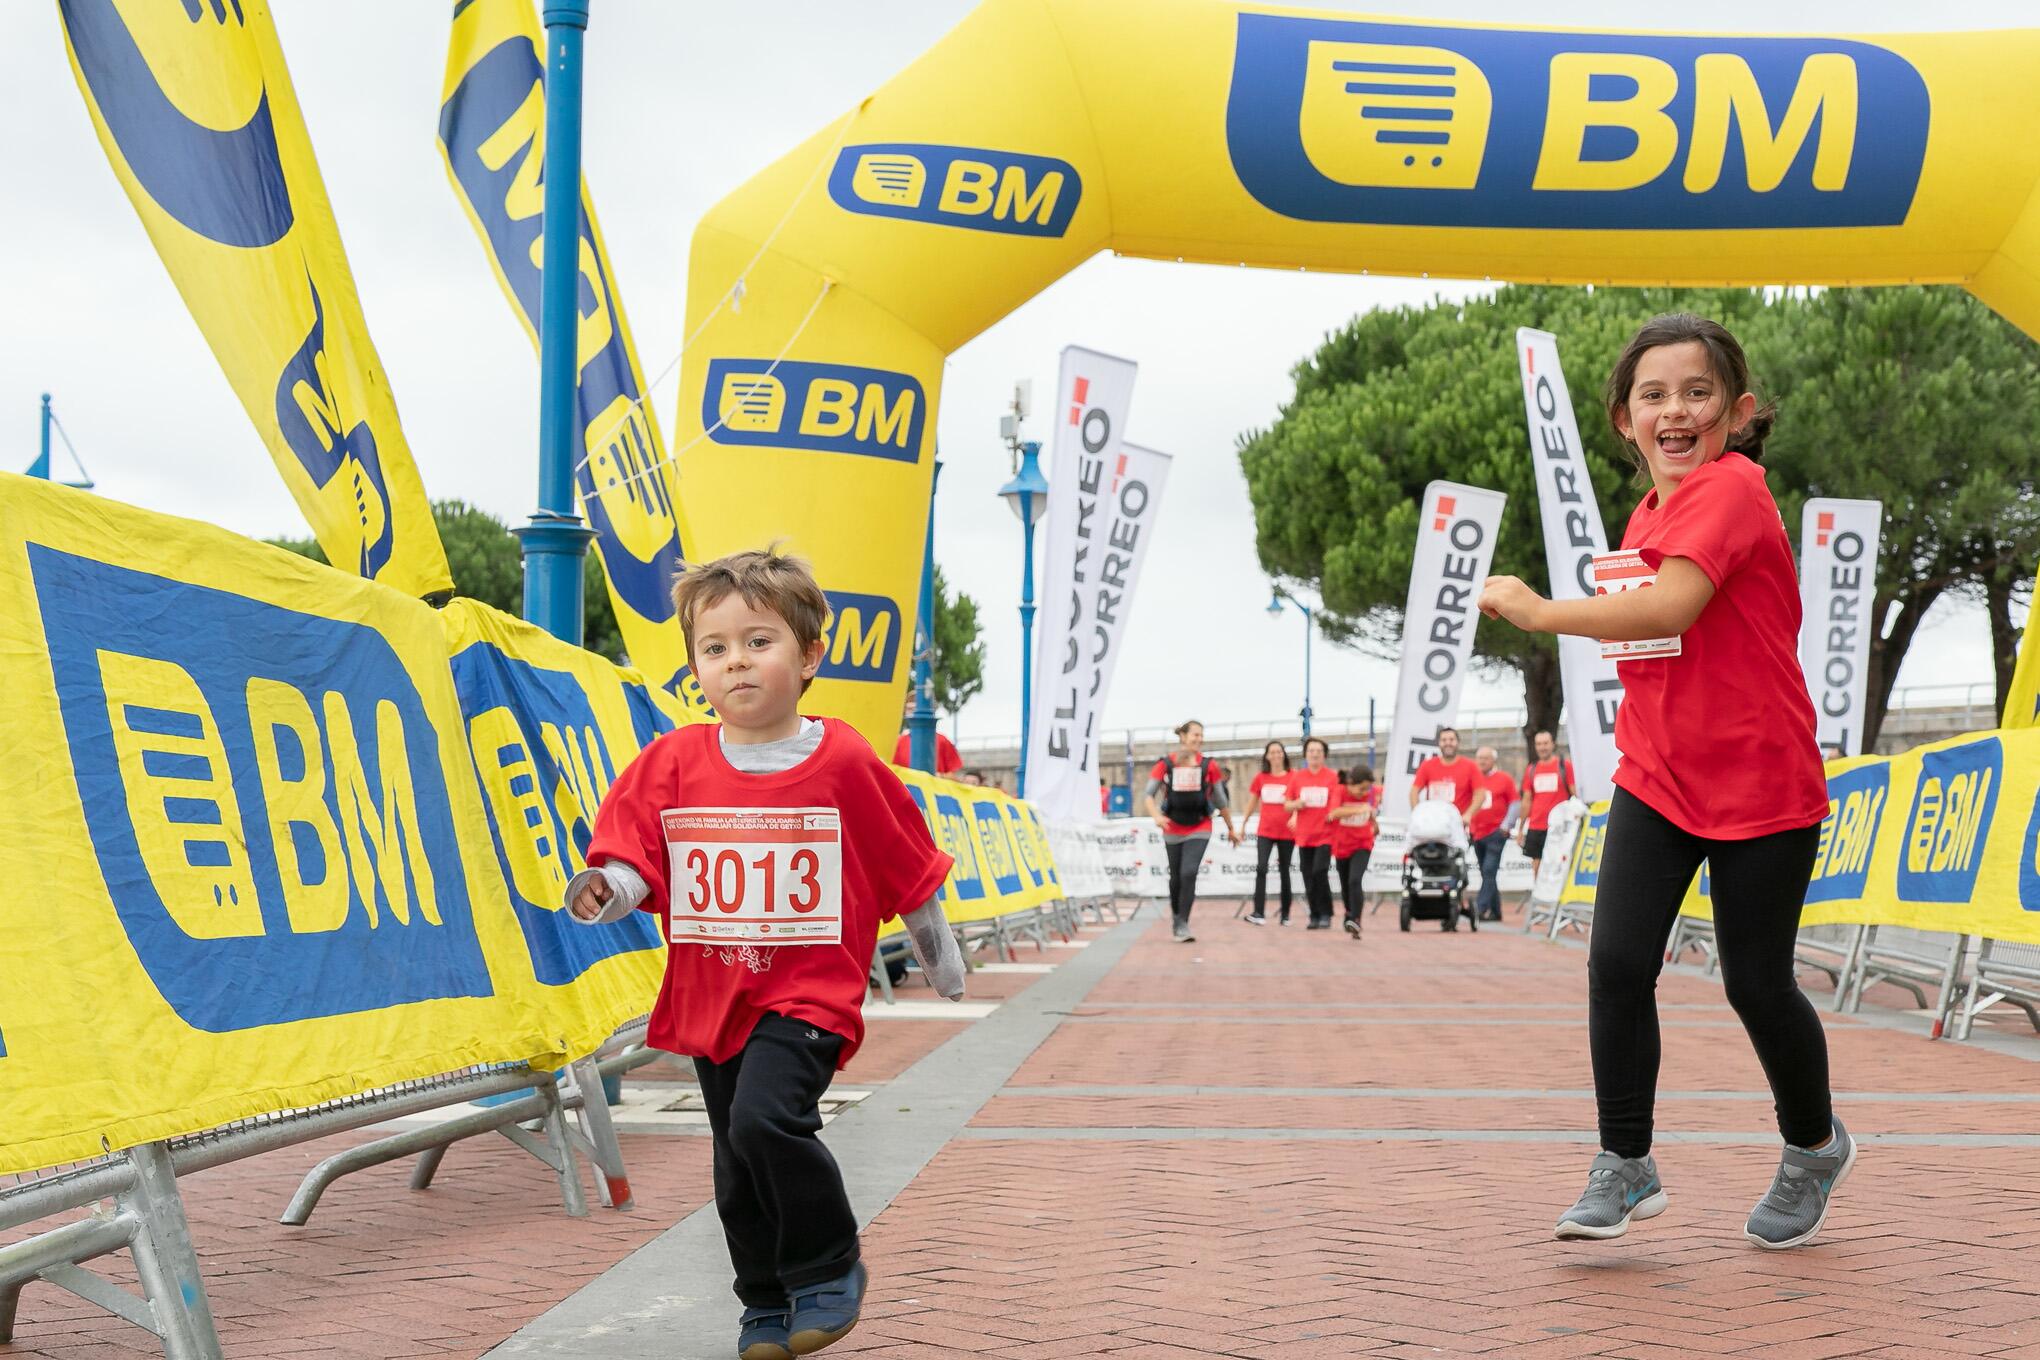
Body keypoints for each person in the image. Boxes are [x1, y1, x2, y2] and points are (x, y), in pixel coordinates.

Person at [1479, 313, 1849, 1251]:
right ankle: (1626, 1162)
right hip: (1658, 775)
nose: (1675, 411)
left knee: (1756, 983)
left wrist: (1535, 611)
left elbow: (1675, 603)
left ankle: (1813, 1148)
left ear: (1740, 410)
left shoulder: (1732, 491)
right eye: (1654, 396)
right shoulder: (1651, 513)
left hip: (1762, 782)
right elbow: (1657, 636)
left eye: (1697, 393)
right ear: (1623, 420)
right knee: (1614, 964)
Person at [565, 547, 968, 1359]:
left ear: (809, 654)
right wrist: (607, 888)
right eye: (714, 649)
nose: (736, 663)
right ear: (694, 668)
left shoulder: (845, 760)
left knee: (765, 1121)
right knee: (734, 1162)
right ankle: (764, 1300)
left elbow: (907, 864)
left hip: (808, 994)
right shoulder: (673, 762)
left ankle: (827, 1265)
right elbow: (632, 856)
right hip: (713, 998)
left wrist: (941, 959)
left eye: (759, 641)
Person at [1144, 720, 1242, 942]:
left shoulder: (1209, 765)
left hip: (1200, 826)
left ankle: (1183, 923)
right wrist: (1157, 817)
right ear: (1183, 737)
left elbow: (1220, 799)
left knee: (1189, 872)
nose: (1198, 739)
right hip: (1172, 826)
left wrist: (1231, 828)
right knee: (1176, 877)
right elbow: (1148, 795)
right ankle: (1177, 917)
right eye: (1194, 735)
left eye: (1201, 735)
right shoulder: (1166, 764)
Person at [1283, 737, 1342, 930]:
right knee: (1307, 874)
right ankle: (1314, 914)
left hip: (1325, 834)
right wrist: (1296, 805)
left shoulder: (1332, 777)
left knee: (1319, 871)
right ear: (1306, 754)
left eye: (1318, 751)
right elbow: (1287, 804)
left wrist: (1332, 812)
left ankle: (1326, 913)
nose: (1315, 754)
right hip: (1304, 835)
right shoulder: (1298, 777)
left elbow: (1335, 800)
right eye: (1311, 751)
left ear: (1324, 755)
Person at [1242, 740, 1297, 925]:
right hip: (1266, 831)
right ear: (1267, 756)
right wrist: (1243, 823)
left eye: (1279, 752)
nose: (1275, 755)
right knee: (1261, 868)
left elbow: (1298, 801)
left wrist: (1296, 816)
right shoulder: (1261, 778)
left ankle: (1286, 915)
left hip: (1287, 833)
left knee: (1285, 872)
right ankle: (1258, 913)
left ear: (1284, 754)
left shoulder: (1293, 777)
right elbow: (1252, 802)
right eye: (1272, 752)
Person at [1327, 764, 1381, 939]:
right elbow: (1334, 812)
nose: (1364, 792)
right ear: (1350, 782)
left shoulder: (1369, 794)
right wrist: (1358, 809)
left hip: (1363, 844)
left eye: (1367, 788)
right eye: (1361, 788)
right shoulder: (1340, 791)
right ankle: (1349, 913)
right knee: (1345, 885)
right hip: (1342, 845)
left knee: (1355, 880)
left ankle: (1356, 920)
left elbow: (1370, 811)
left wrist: (1375, 823)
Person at [1515, 730, 1577, 877]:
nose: (1542, 747)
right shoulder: (1531, 769)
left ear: (1552, 744)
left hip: (1559, 827)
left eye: (1545, 743)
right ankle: (1539, 896)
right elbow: (1526, 800)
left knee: (1560, 865)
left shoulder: (1565, 766)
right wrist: (1521, 828)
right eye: (1539, 744)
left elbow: (1575, 794)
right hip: (1537, 825)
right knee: (1537, 866)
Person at [1468, 747, 1518, 922]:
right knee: (1486, 873)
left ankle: (1480, 908)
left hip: (1496, 833)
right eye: (1479, 758)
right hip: (1477, 833)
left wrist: (1506, 826)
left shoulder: (1504, 779)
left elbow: (1514, 803)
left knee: (1489, 870)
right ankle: (1496, 911)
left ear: (1493, 760)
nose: (1481, 762)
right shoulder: (1474, 780)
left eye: (1485, 758)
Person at [1409, 725, 1478, 828]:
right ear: (1439, 743)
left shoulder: (1470, 766)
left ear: (1458, 742)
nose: (1448, 743)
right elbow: (1414, 792)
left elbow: (1480, 794)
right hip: (1432, 824)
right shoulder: (1427, 765)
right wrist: (1418, 814)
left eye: (1451, 740)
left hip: (1458, 825)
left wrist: (1468, 814)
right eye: (1444, 740)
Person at [889, 692, 962, 774]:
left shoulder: (942, 741)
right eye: (909, 709)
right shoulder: (899, 742)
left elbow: (954, 776)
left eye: (915, 708)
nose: (913, 712)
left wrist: (936, 777)